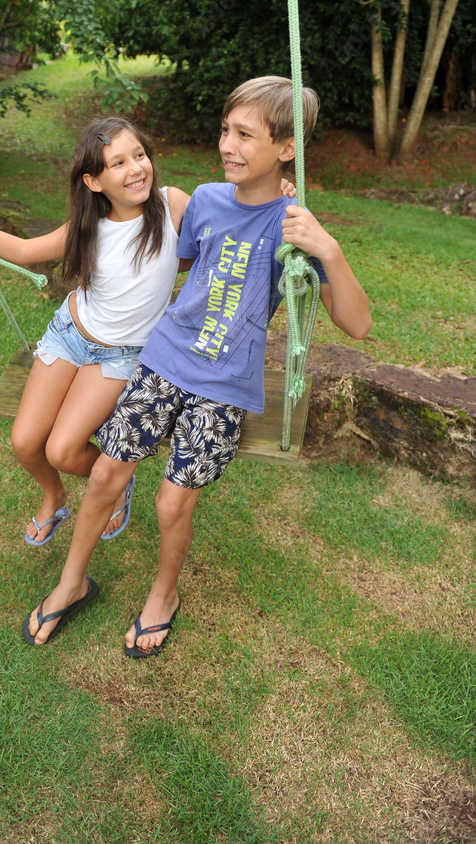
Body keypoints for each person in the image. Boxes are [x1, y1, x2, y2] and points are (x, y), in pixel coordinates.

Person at [23, 76, 372, 654]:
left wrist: (328, 249)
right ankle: (71, 582)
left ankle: (164, 595)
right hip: (163, 360)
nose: (226, 146)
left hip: (224, 385)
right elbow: (174, 260)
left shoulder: (294, 228)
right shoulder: (207, 200)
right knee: (106, 474)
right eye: (224, 131)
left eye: (244, 135)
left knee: (171, 503)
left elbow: (356, 324)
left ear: (287, 148)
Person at [0, 116, 296, 547]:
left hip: (123, 355)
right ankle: (53, 495)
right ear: (94, 181)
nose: (135, 168)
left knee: (62, 450)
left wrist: (278, 190)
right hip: (69, 335)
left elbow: (230, 213)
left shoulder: (174, 204)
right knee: (25, 443)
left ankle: (115, 483)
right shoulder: (88, 226)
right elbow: (25, 250)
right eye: (118, 163)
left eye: (139, 155)